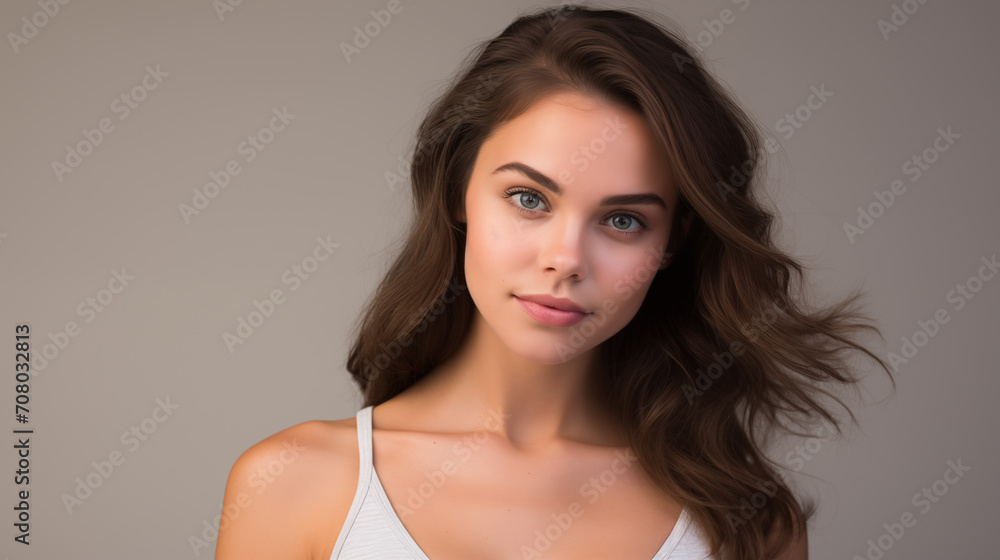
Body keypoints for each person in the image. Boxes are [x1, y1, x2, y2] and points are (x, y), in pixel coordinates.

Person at [215, 5, 894, 560]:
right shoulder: (296, 484)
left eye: (623, 220)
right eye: (529, 199)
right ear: (458, 192)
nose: (567, 258)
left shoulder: (747, 524)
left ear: (671, 244)